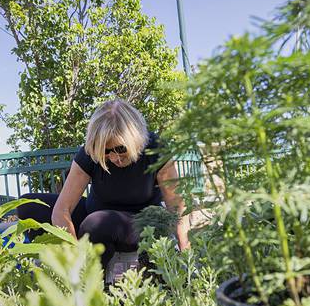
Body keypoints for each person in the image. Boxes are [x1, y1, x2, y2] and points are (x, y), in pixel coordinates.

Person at [16, 99, 190, 272]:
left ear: (134, 139)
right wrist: (75, 255)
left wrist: (187, 258)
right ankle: (60, 269)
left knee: (96, 224)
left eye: (120, 149)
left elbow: (177, 208)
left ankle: (94, 282)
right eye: (106, 152)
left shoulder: (155, 148)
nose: (114, 158)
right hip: (95, 214)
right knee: (28, 205)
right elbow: (61, 210)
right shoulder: (90, 153)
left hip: (140, 223)